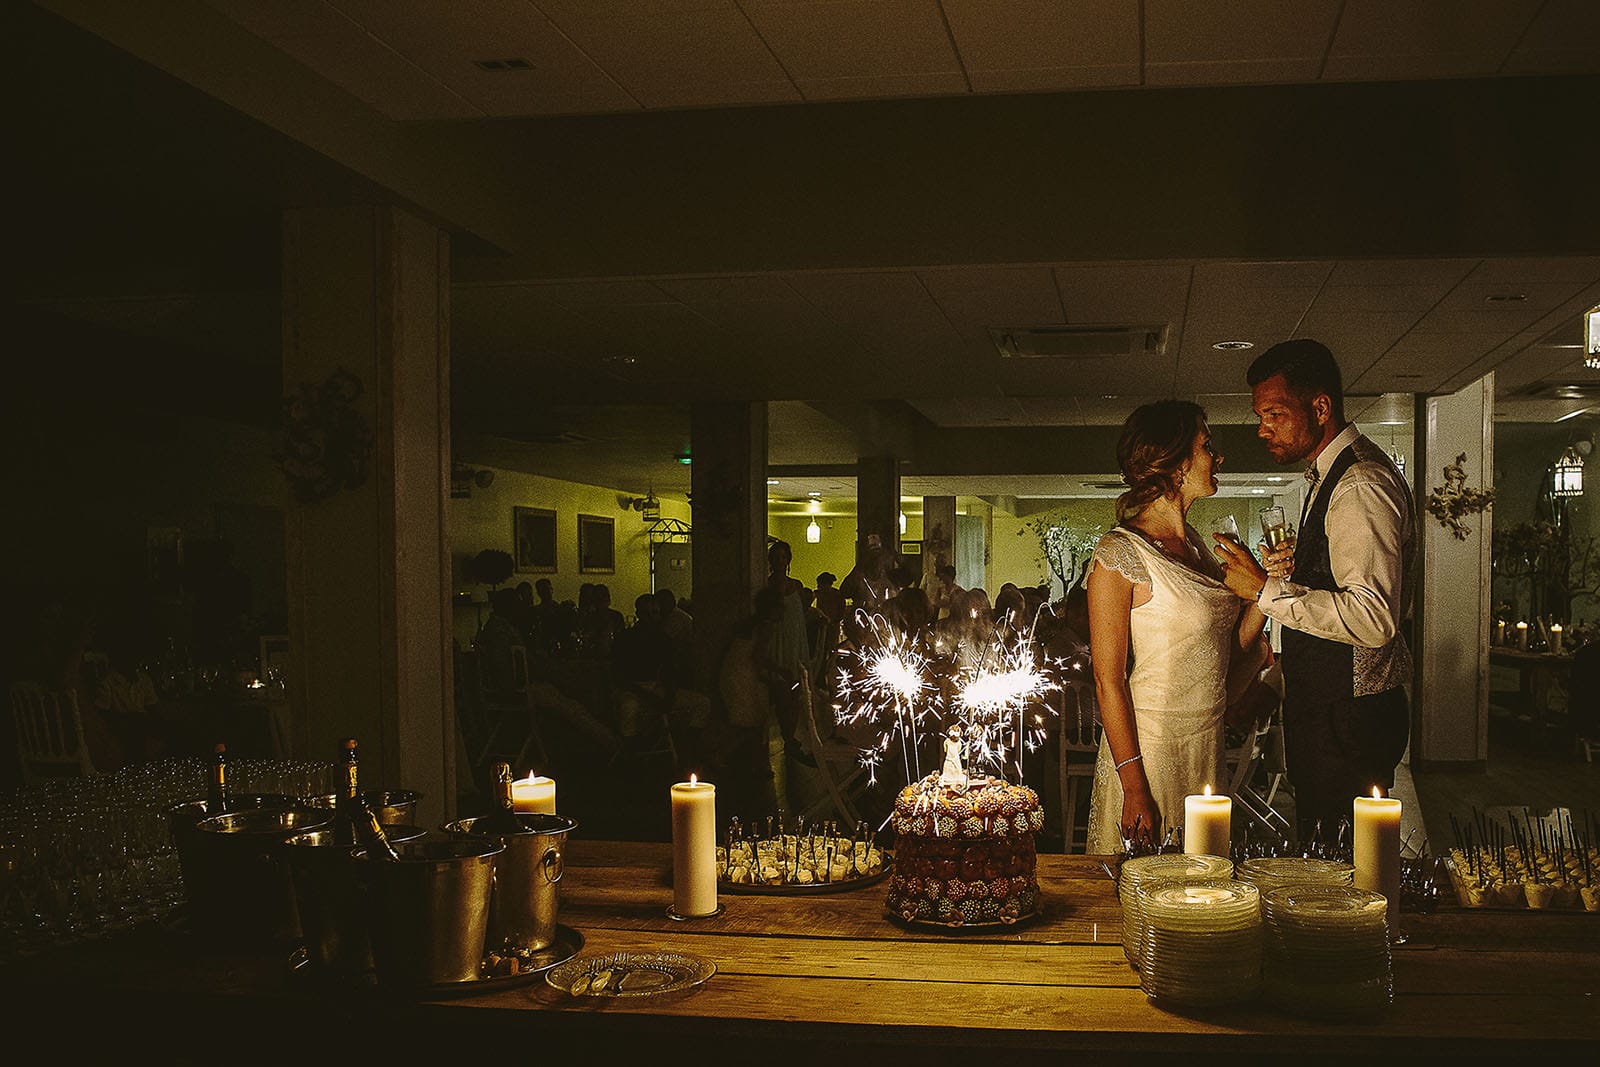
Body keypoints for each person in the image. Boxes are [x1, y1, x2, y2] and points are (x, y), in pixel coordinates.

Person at [1213, 338, 1414, 842]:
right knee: (1328, 859)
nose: (1262, 430)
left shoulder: (1358, 485)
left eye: (1275, 414)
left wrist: (1264, 590)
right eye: (1261, 416)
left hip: (1350, 720)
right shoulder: (1328, 478)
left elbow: (1373, 619)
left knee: (1345, 877)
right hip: (1331, 712)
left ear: (1320, 407)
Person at [1085, 400, 1270, 853]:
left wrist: (1270, 594)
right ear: (1174, 463)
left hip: (1205, 747)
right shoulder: (1119, 554)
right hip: (1151, 751)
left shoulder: (1197, 546)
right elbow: (1107, 681)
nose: (1218, 457)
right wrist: (1133, 787)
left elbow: (1233, 650)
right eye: (1208, 445)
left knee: (1205, 899)